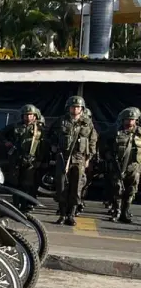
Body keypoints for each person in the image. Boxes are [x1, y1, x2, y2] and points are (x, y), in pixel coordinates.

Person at [47, 95, 98, 226]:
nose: (75, 109)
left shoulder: (87, 123)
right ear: (68, 108)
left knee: (76, 188)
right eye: (73, 107)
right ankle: (62, 214)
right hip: (63, 158)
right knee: (62, 186)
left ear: (82, 108)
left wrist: (89, 157)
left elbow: (92, 140)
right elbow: (49, 135)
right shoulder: (61, 121)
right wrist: (53, 147)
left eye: (78, 107)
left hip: (79, 159)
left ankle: (71, 214)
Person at [104, 107, 141, 223]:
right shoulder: (115, 132)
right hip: (118, 167)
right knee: (117, 190)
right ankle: (117, 211)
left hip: (134, 167)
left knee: (131, 190)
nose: (130, 122)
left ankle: (125, 211)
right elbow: (104, 145)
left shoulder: (139, 133)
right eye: (127, 119)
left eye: (132, 119)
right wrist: (108, 156)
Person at [0, 104, 44, 199]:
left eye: (30, 115)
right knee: (16, 183)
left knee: (28, 184)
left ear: (35, 116)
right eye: (26, 115)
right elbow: (0, 134)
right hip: (17, 159)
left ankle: (26, 204)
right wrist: (6, 142)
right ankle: (16, 203)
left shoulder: (39, 128)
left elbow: (44, 145)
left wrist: (40, 159)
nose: (28, 117)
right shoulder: (15, 126)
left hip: (31, 160)